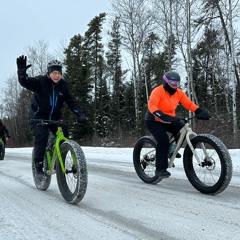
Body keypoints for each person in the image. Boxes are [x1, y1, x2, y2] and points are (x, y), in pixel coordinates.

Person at [16, 55, 87, 178]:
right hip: (37, 117)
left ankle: (60, 162)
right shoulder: (40, 82)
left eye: (59, 73)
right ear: (49, 73)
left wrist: (80, 114)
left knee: (64, 134)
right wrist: (22, 73)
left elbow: (72, 101)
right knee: (42, 137)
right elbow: (26, 82)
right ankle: (38, 168)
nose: (56, 75)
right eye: (54, 72)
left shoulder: (63, 86)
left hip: (54, 119)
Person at [145, 70, 211, 178]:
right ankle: (160, 168)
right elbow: (152, 105)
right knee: (163, 140)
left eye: (177, 83)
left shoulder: (178, 92)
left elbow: (188, 103)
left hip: (169, 119)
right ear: (166, 82)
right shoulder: (157, 91)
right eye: (172, 83)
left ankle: (171, 151)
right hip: (154, 120)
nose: (175, 85)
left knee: (182, 131)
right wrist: (160, 115)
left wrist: (199, 111)